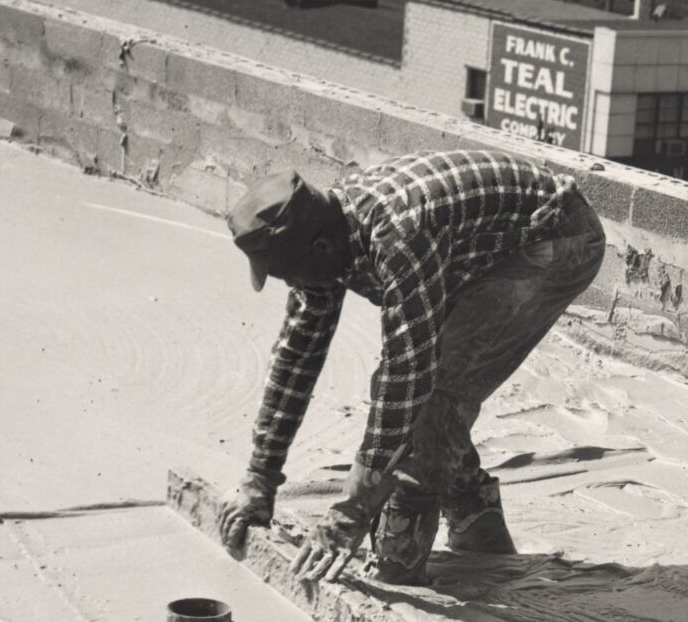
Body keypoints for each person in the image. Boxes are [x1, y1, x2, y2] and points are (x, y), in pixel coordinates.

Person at [214, 150, 605, 585]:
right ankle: (479, 526)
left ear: (320, 247)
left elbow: (410, 375)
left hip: (554, 236)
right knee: (411, 396)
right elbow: (295, 357)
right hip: (481, 244)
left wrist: (352, 512)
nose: (290, 284)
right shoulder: (326, 236)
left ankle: (400, 563)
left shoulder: (399, 235)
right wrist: (259, 475)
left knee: (435, 393)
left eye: (288, 273)